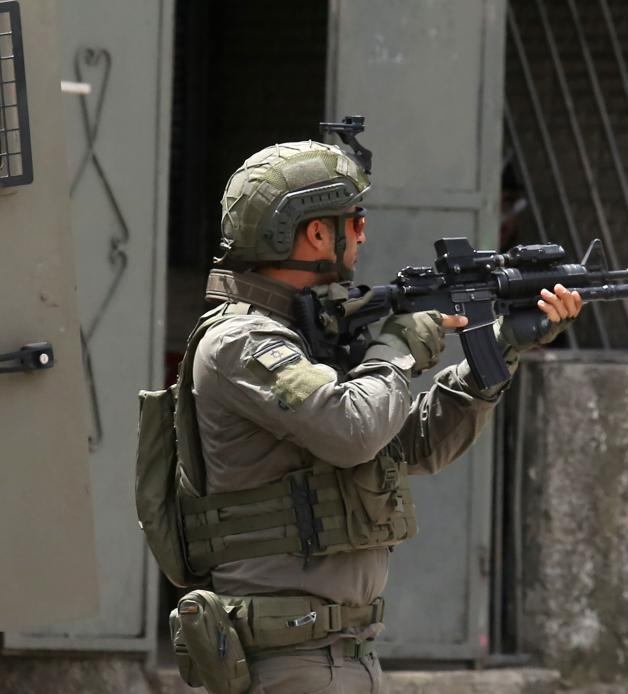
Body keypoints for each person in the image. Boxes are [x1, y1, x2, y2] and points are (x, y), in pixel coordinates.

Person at [182, 139, 581, 693]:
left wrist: (500, 348)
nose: (364, 234)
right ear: (315, 233)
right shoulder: (241, 343)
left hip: (346, 651)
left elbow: (411, 445)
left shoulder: (311, 335)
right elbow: (354, 431)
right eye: (355, 220)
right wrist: (399, 347)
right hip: (286, 660)